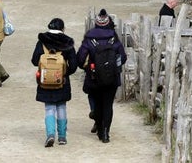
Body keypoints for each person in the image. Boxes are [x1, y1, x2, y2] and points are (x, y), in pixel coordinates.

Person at [77, 9, 127, 143]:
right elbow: (122, 57)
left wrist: (86, 67)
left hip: (94, 77)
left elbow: (80, 58)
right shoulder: (113, 38)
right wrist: (114, 68)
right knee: (108, 105)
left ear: (97, 23)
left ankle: (99, 129)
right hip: (111, 78)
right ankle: (106, 133)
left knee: (97, 104)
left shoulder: (90, 38)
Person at [31, 18, 78, 147]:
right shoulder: (67, 42)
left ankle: (50, 134)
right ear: (62, 29)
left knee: (49, 108)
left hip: (45, 80)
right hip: (62, 80)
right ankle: (62, 136)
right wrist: (65, 73)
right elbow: (74, 65)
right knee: (61, 107)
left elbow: (35, 61)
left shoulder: (41, 42)